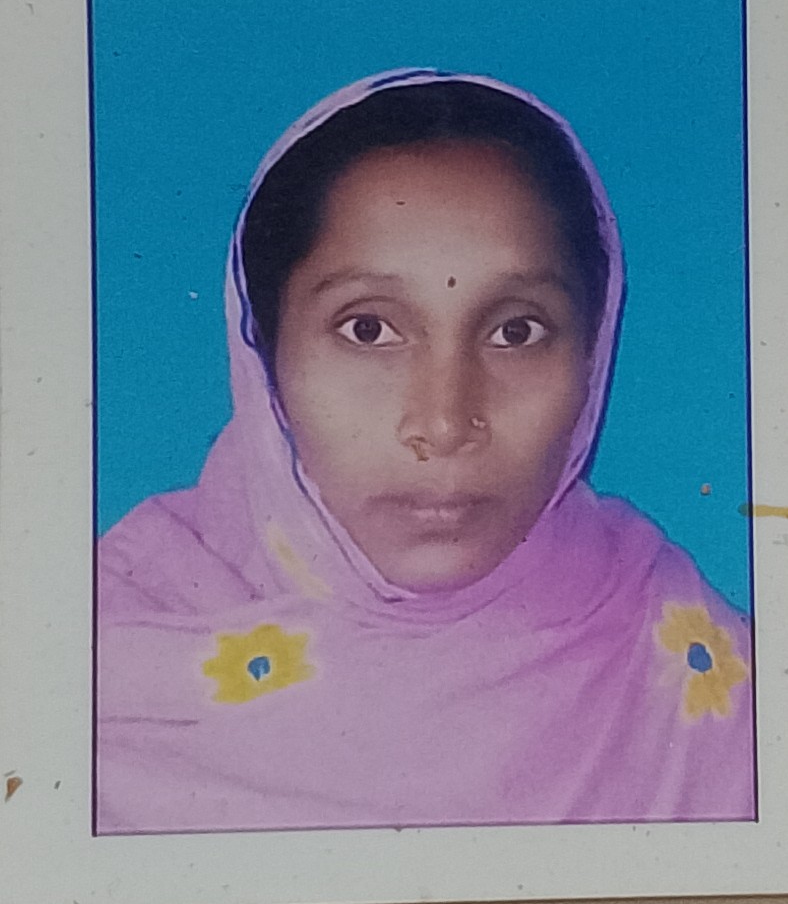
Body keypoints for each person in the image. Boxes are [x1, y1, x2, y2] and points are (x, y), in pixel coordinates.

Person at [97, 67, 754, 835]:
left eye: (515, 331)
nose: (444, 423)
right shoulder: (87, 667)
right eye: (369, 328)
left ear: (592, 353)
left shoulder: (704, 687)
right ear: (264, 355)